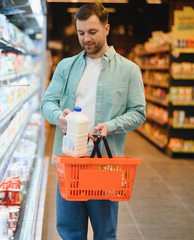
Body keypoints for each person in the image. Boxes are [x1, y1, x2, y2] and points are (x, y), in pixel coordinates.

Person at [40, 3, 146, 240]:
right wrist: (60, 117)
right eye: (80, 33)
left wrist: (110, 126)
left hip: (104, 165)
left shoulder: (129, 71)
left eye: (92, 32)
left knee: (105, 233)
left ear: (107, 29)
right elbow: (46, 103)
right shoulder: (66, 67)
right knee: (69, 232)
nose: (86, 39)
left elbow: (138, 112)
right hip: (69, 164)